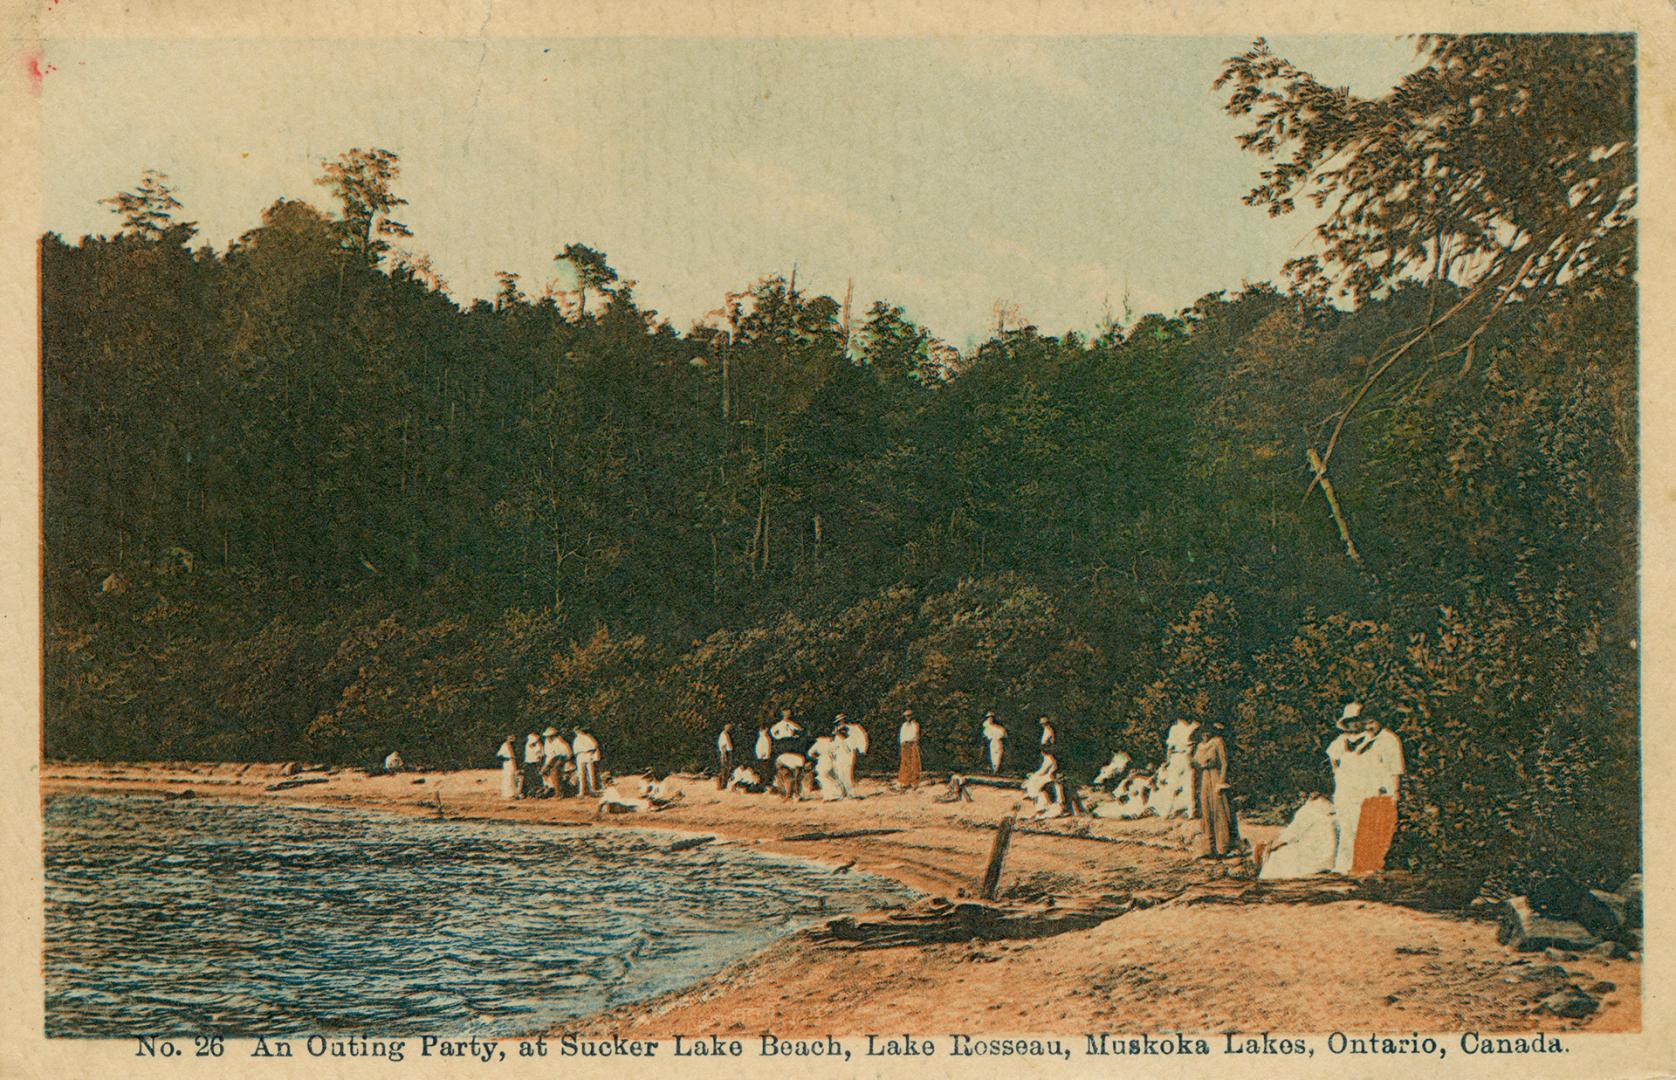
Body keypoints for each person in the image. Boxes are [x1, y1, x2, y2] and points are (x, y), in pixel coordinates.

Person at [1348, 712, 1405, 875]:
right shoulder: (1367, 739)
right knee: (1365, 832)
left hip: (1383, 792)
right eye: (1365, 723)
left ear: (1380, 721)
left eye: (1371, 722)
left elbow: (1396, 769)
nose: (1368, 726)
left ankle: (1373, 868)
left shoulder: (1389, 740)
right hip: (1367, 792)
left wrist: (1395, 792)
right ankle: (1362, 868)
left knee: (1380, 830)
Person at [1327, 703, 1368, 875]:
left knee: (1362, 823)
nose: (1354, 724)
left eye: (1357, 720)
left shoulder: (1369, 739)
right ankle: (1343, 864)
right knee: (1345, 824)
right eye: (1351, 721)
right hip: (1345, 788)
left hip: (1363, 786)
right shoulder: (1340, 741)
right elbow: (1333, 760)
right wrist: (1340, 774)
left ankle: (1362, 864)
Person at [1259, 794, 1338, 879]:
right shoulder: (1330, 807)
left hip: (1314, 858)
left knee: (1277, 855)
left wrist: (1271, 845)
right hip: (1329, 858)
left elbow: (1291, 834)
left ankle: (1267, 880)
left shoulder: (1310, 809)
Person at [1192, 721, 1237, 857]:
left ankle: (1223, 846)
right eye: (1203, 733)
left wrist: (1221, 781)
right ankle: (1209, 848)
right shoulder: (1200, 746)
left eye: (1208, 733)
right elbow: (1194, 762)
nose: (1205, 735)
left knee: (1219, 809)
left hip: (1216, 776)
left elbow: (1224, 763)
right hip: (1205, 777)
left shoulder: (1218, 742)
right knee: (1206, 809)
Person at [1160, 715, 1201, 819]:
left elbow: (1169, 748)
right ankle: (1191, 811)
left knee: (1172, 785)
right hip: (1188, 756)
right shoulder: (1194, 726)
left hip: (1177, 756)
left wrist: (1167, 761)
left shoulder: (1175, 728)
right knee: (1189, 785)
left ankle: (1166, 812)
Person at [1023, 750, 1062, 818]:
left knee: (1035, 781)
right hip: (1047, 778)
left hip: (1049, 778)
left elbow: (1043, 771)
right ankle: (1032, 794)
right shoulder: (1046, 758)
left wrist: (1034, 775)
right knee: (1036, 784)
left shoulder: (1049, 759)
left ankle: (1031, 793)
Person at [808, 733, 843, 800]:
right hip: (831, 760)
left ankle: (829, 795)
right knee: (830, 776)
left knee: (823, 777)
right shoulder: (831, 743)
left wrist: (817, 757)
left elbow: (810, 753)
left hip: (822, 760)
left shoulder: (818, 743)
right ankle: (835, 794)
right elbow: (837, 751)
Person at [831, 715, 858, 798]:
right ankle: (842, 793)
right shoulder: (837, 735)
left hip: (846, 757)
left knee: (847, 775)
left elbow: (851, 747)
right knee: (839, 775)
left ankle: (850, 793)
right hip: (838, 756)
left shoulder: (849, 733)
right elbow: (834, 746)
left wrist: (853, 758)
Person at [541, 726, 572, 797]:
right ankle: (549, 788)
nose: (548, 738)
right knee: (543, 773)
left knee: (554, 772)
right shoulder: (547, 742)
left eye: (550, 736)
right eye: (547, 736)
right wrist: (546, 765)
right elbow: (549, 755)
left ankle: (558, 793)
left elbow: (566, 753)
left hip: (560, 758)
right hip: (551, 759)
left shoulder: (559, 741)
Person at [897, 708, 922, 789]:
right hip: (905, 745)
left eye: (909, 716)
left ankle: (915, 782)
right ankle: (905, 781)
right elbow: (902, 736)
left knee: (914, 763)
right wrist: (902, 744)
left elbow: (916, 735)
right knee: (905, 763)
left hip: (912, 744)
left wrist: (915, 743)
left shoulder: (915, 725)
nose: (908, 718)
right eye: (906, 716)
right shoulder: (904, 725)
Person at [573, 727, 601, 798]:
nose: (577, 732)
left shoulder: (588, 737)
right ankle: (581, 792)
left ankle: (593, 790)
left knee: (590, 773)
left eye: (578, 731)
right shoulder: (576, 739)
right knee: (581, 774)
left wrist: (592, 753)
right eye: (576, 731)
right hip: (580, 756)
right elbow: (575, 750)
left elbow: (594, 746)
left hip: (588, 754)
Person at [496, 735, 518, 800]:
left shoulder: (511, 746)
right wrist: (507, 758)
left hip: (510, 763)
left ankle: (512, 794)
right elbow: (499, 756)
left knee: (511, 778)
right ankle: (509, 794)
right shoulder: (505, 746)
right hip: (508, 763)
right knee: (509, 778)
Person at [716, 723, 734, 791]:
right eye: (729, 727)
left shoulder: (726, 734)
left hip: (727, 752)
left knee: (726, 769)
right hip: (725, 752)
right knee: (724, 769)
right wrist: (724, 755)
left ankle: (724, 785)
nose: (730, 729)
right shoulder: (723, 735)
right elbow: (723, 746)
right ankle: (722, 785)